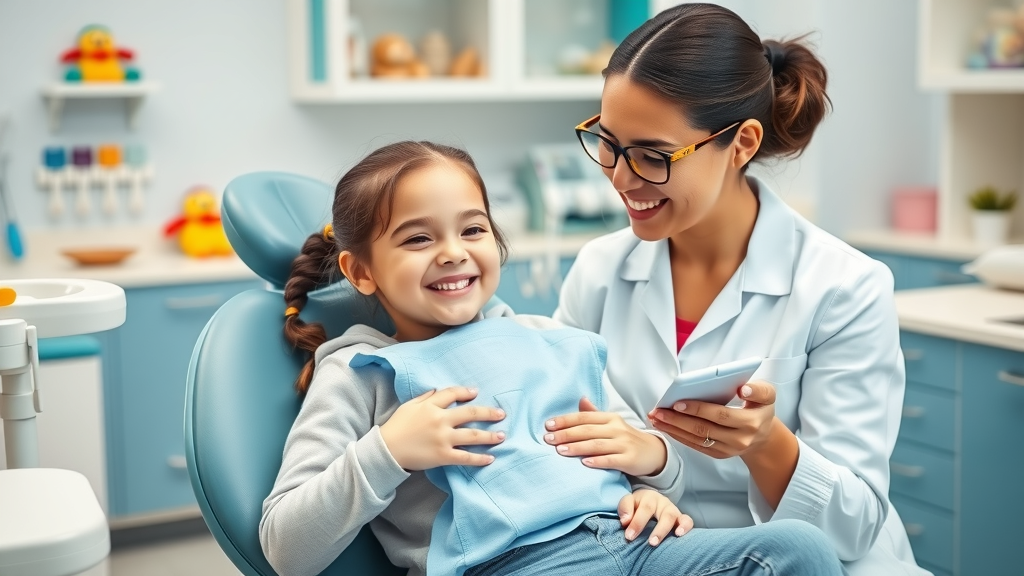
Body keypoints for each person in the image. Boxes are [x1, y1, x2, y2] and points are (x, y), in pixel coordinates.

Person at [259, 140, 844, 576]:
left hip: (634, 546)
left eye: (473, 229)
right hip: (514, 565)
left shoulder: (551, 338)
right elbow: (286, 548)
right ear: (360, 271)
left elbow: (656, 470)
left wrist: (653, 466)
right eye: (418, 239)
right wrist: (387, 452)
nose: (452, 254)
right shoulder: (358, 372)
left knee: (800, 549)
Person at [544, 3, 930, 576]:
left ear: (743, 143)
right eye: (607, 142)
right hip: (659, 556)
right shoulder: (598, 272)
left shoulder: (844, 288)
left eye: (653, 155)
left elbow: (854, 526)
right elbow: (565, 441)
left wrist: (765, 444)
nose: (621, 178)